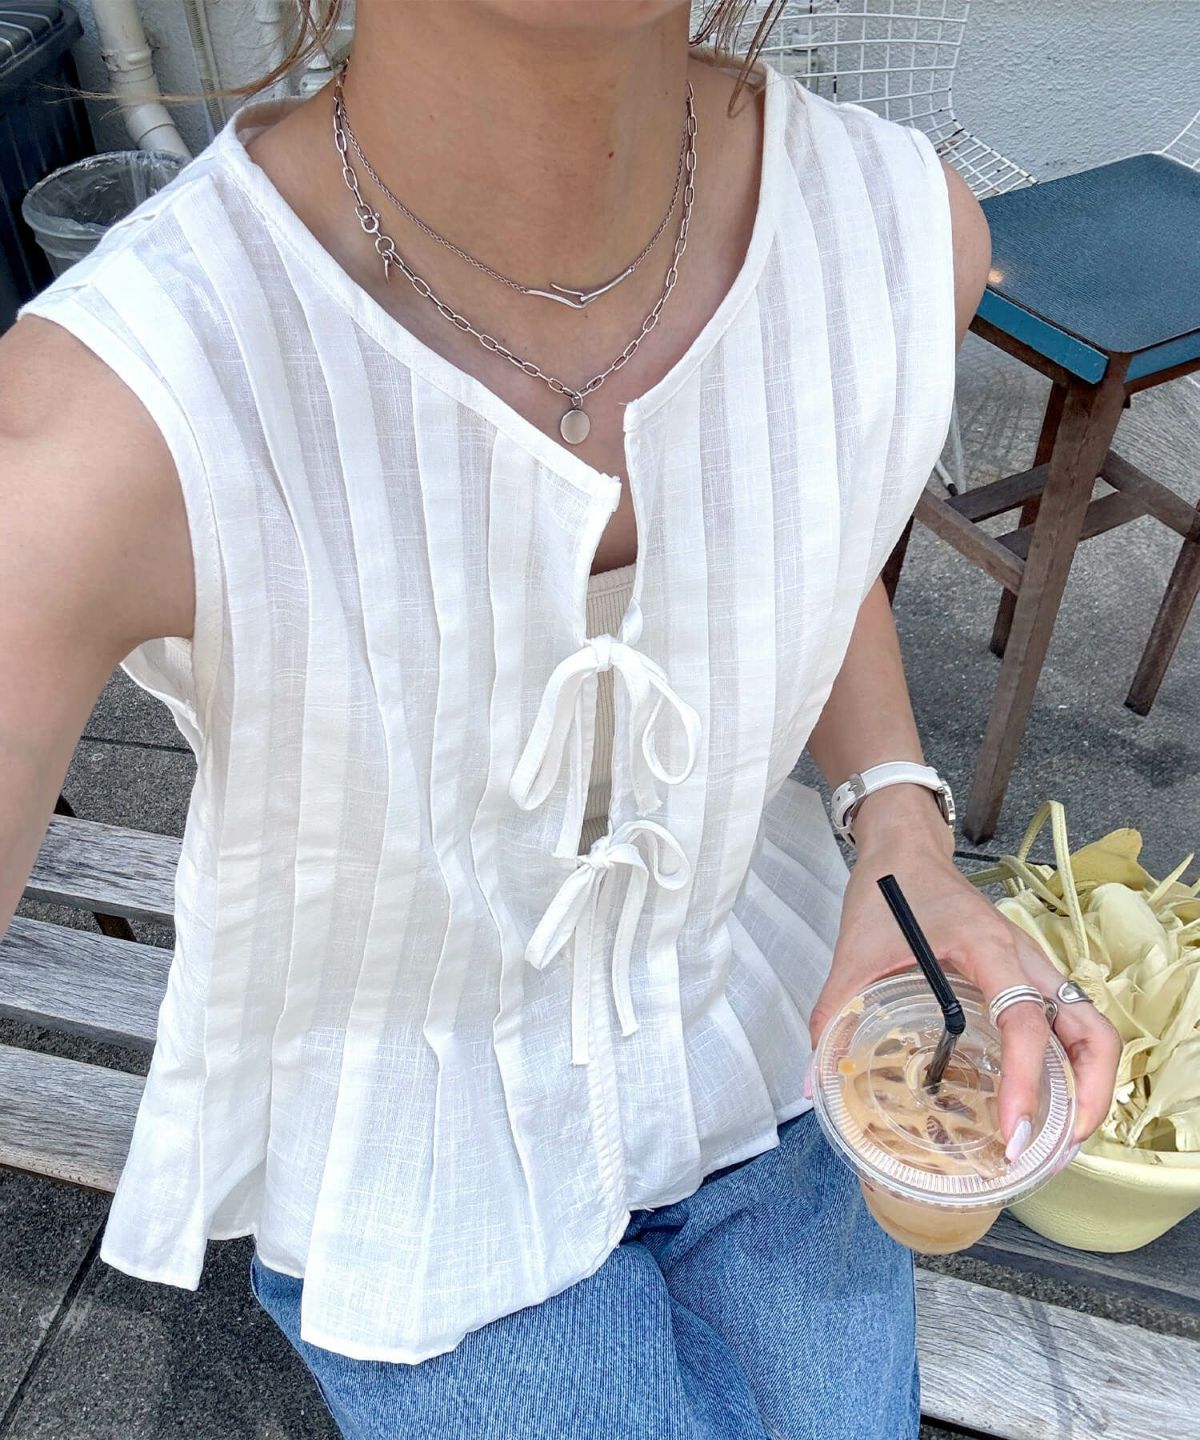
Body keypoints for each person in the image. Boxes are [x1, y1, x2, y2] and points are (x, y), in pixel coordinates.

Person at [1, 2, 1120, 1436]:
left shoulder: (894, 233)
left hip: (771, 1034)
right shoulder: (115, 416)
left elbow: (796, 526)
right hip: (417, 1155)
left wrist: (900, 831)